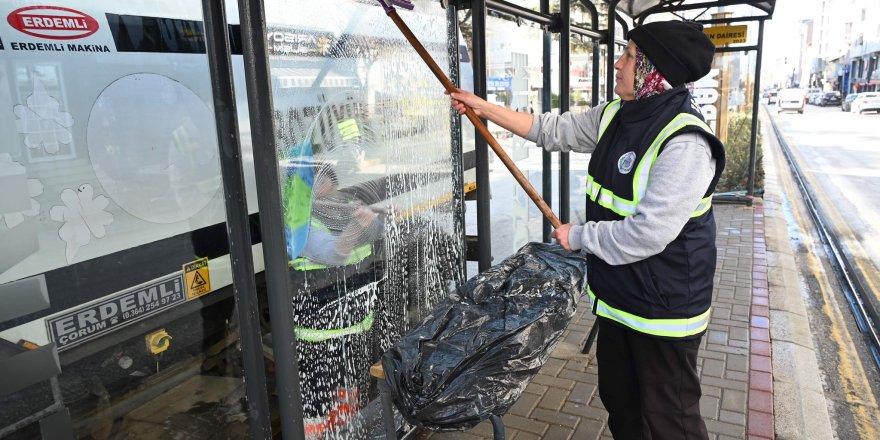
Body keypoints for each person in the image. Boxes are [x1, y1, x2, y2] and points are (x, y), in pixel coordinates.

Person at [450, 20, 724, 439]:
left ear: (654, 70)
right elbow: (551, 130)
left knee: (670, 419)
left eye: (630, 56)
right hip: (620, 298)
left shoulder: (685, 142)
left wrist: (579, 236)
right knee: (621, 403)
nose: (618, 64)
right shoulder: (617, 114)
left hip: (664, 310)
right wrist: (482, 108)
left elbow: (648, 233)